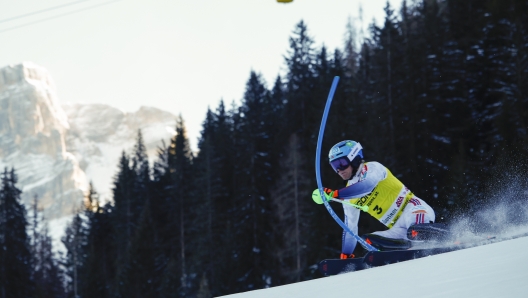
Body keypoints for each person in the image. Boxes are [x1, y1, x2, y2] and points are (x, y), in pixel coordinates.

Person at [312, 140, 435, 259]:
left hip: (413, 210)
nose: (339, 170)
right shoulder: (347, 196)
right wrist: (346, 255)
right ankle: (405, 251)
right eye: (335, 166)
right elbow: (351, 228)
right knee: (368, 241)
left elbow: (367, 186)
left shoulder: (372, 168)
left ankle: (448, 238)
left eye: (341, 163)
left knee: (416, 231)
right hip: (398, 229)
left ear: (354, 158)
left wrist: (335, 194)